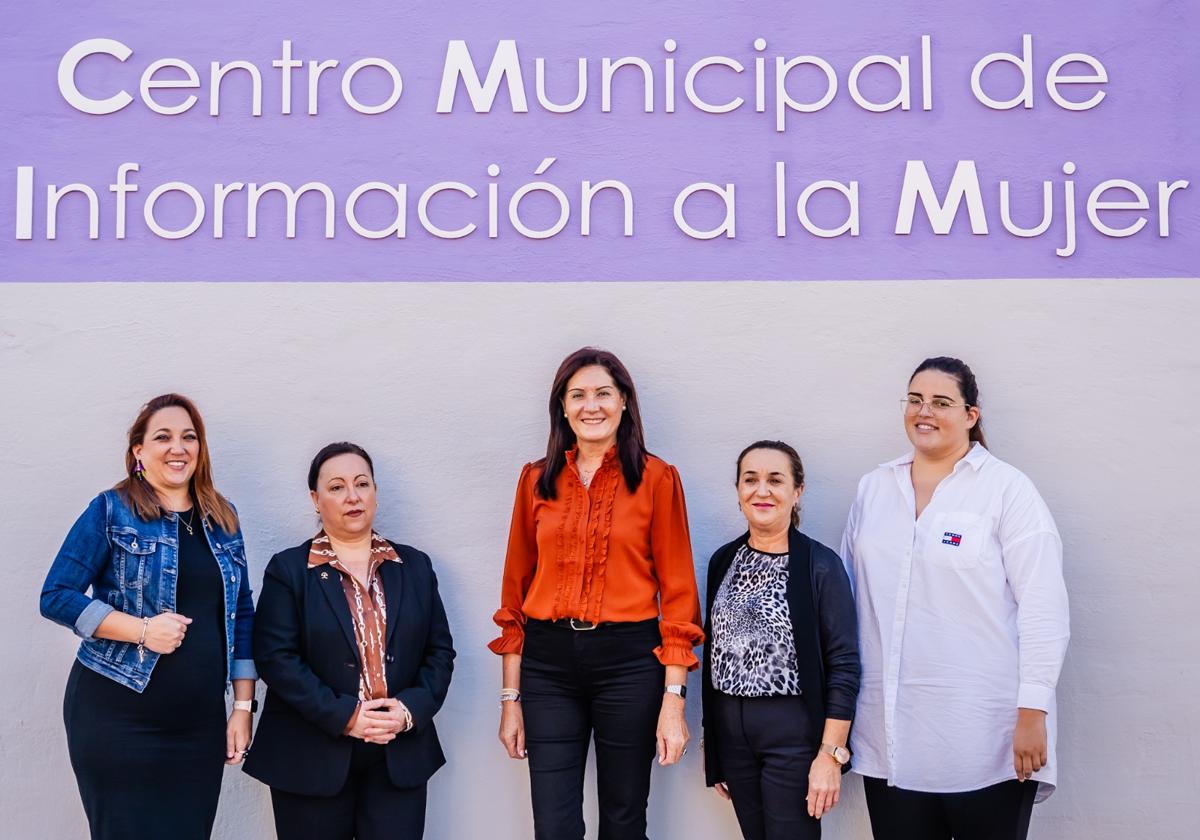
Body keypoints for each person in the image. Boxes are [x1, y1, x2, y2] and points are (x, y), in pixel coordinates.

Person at [842, 357, 1070, 840]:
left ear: (971, 415)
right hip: (890, 738)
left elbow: (1043, 606)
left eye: (941, 402)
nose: (924, 412)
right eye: (915, 400)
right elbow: (848, 600)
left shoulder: (1007, 490)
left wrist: (1033, 709)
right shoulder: (874, 489)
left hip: (986, 738)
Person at [490, 347, 704, 840]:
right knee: (553, 823)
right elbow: (513, 595)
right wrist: (510, 698)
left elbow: (678, 597)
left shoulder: (657, 480)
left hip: (630, 662)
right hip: (548, 665)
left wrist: (674, 701)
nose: (592, 406)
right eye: (578, 395)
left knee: (625, 819)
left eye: (604, 393)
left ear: (624, 402)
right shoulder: (534, 481)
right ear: (562, 407)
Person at [39, 393, 257, 840]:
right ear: (139, 451)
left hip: (198, 725)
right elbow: (56, 595)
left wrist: (241, 707)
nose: (178, 448)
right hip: (117, 717)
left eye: (189, 437)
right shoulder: (110, 509)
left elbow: (243, 615)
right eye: (163, 437)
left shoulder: (223, 518)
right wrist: (141, 630)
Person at [244, 442, 454, 840]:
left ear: (375, 491)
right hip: (310, 755)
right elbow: (276, 658)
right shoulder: (289, 569)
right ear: (316, 499)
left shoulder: (415, 566)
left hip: (398, 751)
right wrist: (347, 716)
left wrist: (408, 710)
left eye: (362, 483)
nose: (352, 496)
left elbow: (439, 653)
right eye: (337, 487)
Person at [700, 440, 859, 840]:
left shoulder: (819, 566)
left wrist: (830, 755)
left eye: (776, 480)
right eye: (750, 479)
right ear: (738, 490)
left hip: (794, 736)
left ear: (797, 491)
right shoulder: (724, 560)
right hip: (733, 736)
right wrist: (715, 744)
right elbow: (717, 653)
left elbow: (844, 664)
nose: (762, 490)